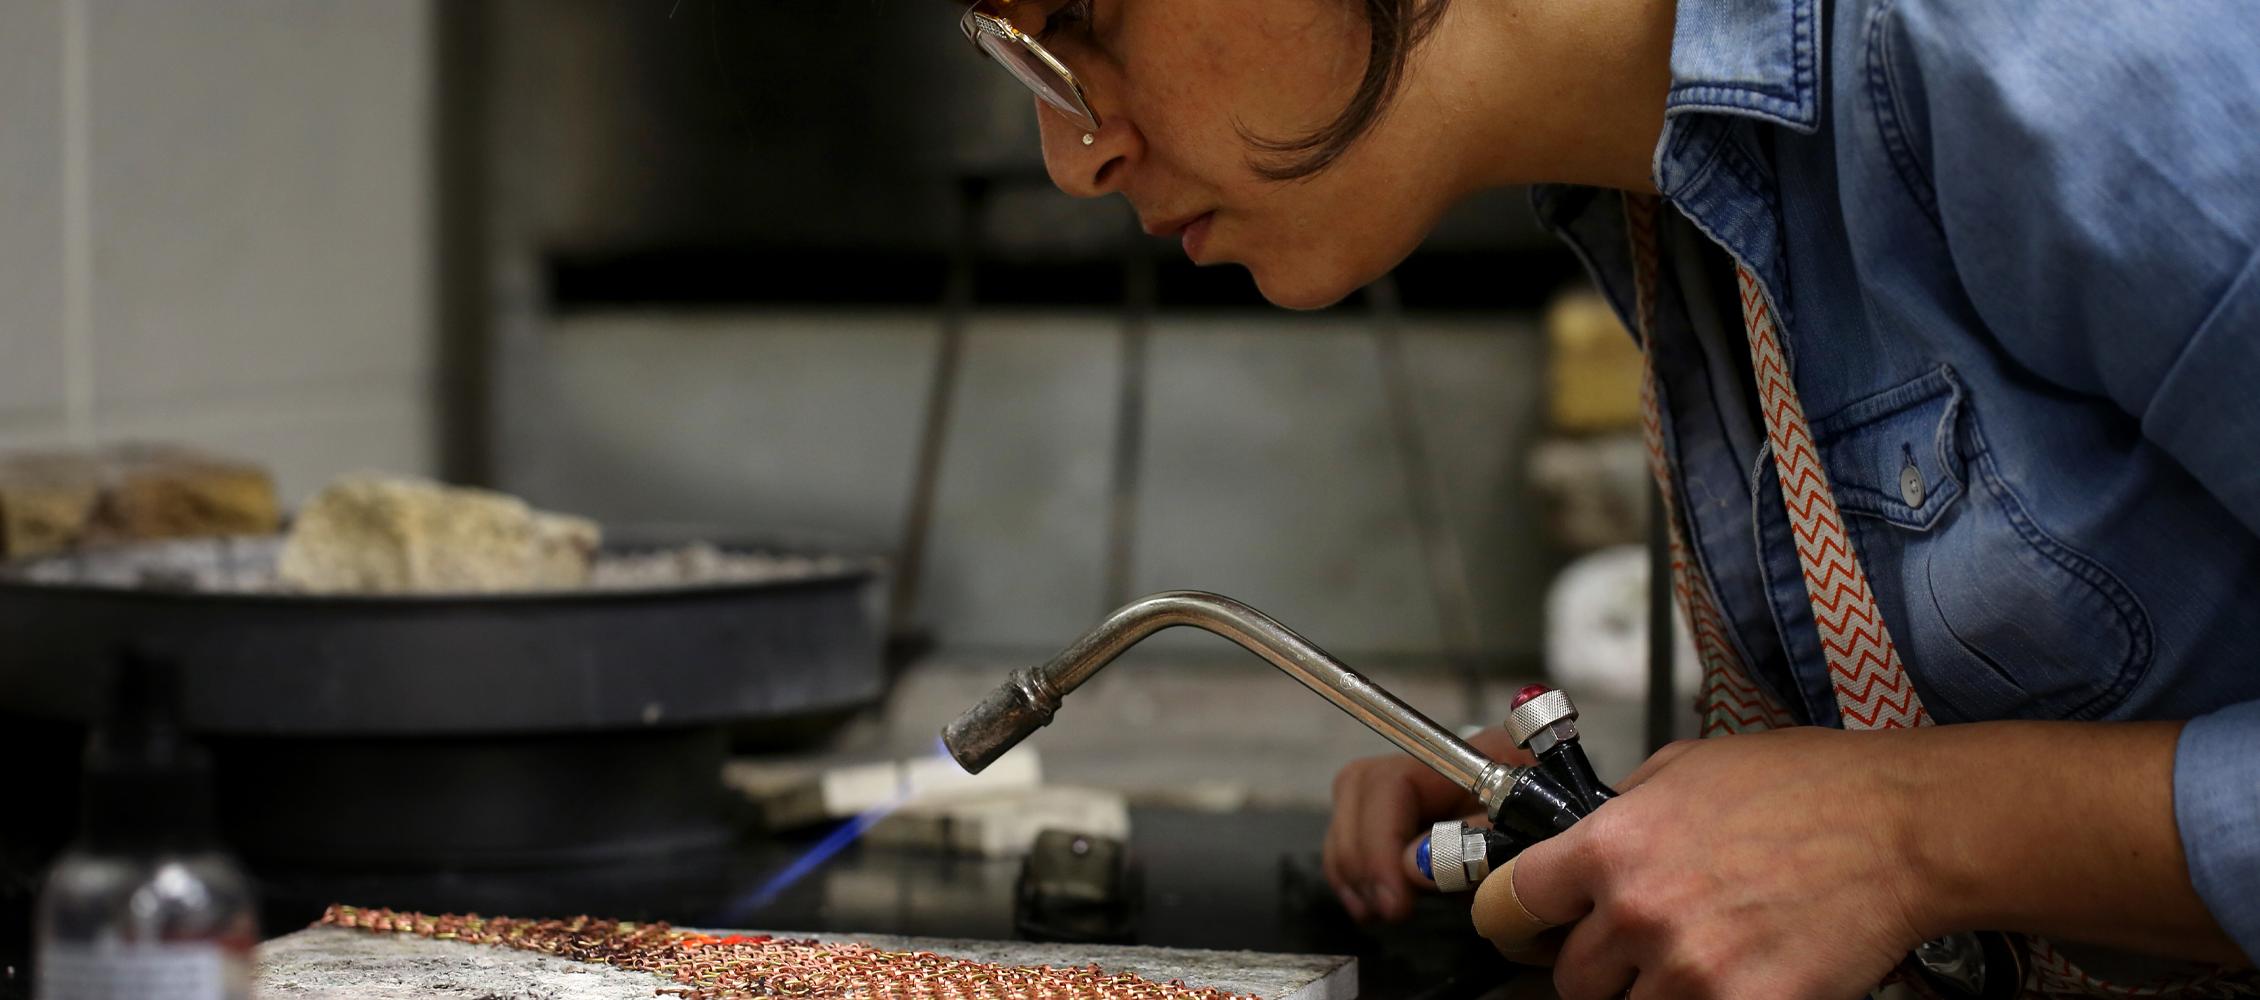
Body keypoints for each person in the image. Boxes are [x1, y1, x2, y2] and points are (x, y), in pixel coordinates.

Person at [946, 0, 2260, 996]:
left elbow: (1898, 827)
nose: (1075, 155)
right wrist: (1643, 839)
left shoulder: (2065, 70)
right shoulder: (1663, 202)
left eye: (1080, 23)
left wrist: (1911, 835)